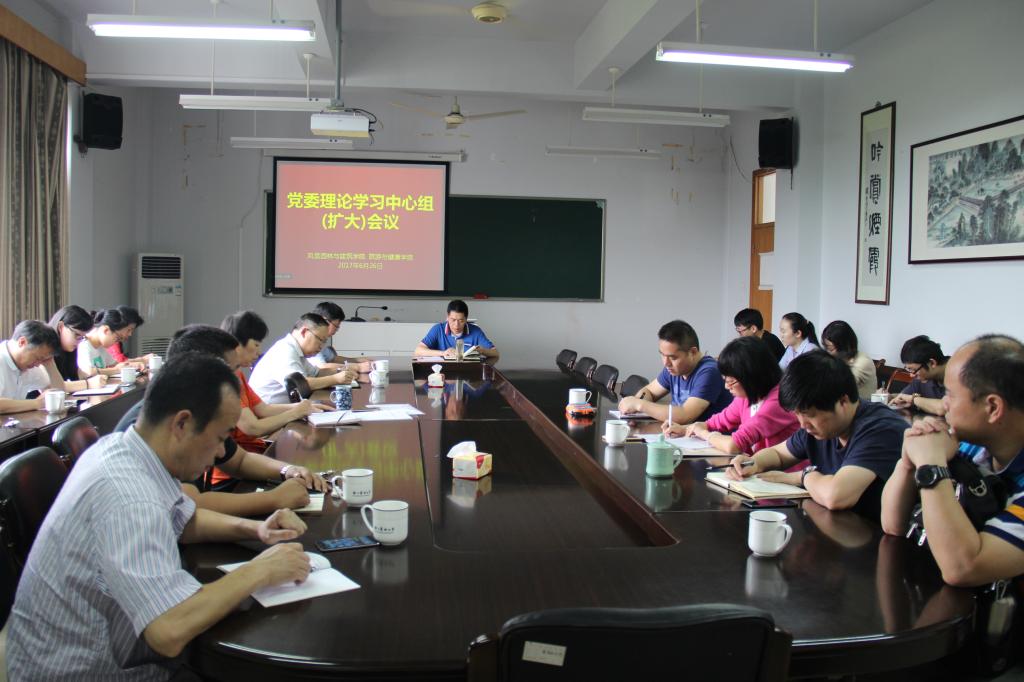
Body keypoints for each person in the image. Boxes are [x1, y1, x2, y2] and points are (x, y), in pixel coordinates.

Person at [6, 353, 312, 680]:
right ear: (181, 424)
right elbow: (169, 630)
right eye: (220, 437)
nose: (220, 453)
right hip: (86, 672)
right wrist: (260, 570)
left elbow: (184, 520)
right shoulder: (128, 496)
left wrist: (257, 529)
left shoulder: (124, 448)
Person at [115, 324, 327, 516]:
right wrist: (273, 499)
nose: (237, 378)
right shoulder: (160, 424)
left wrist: (288, 470)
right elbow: (190, 508)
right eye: (231, 370)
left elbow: (239, 460)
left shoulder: (200, 409)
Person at [881, 335, 1024, 587]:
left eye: (949, 394)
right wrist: (908, 462)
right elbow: (893, 525)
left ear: (993, 408)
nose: (943, 404)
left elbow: (963, 569)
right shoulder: (971, 448)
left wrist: (931, 465)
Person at [726, 350, 906, 519]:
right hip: (837, 524)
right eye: (797, 415)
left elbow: (836, 496)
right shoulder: (820, 426)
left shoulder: (880, 429)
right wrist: (753, 463)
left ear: (842, 401)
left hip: (876, 533)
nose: (802, 424)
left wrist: (803, 476)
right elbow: (779, 454)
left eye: (809, 415)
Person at [664, 336, 798, 454]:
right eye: (725, 380)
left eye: (731, 381)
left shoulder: (778, 401)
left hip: (783, 472)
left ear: (751, 376)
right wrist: (685, 429)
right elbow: (717, 422)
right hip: (759, 467)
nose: (726, 386)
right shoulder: (747, 395)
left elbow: (734, 445)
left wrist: (703, 434)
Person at [221, 310, 330, 452]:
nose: (258, 352)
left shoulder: (237, 374)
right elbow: (252, 428)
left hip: (254, 445)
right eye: (256, 345)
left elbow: (263, 409)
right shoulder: (224, 380)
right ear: (237, 345)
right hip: (243, 451)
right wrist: (295, 412)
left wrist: (304, 407)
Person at [617, 320, 731, 426]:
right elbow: (649, 391)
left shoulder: (709, 372)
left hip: (709, 438)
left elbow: (686, 415)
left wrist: (639, 405)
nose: (666, 363)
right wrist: (634, 411)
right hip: (681, 435)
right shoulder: (674, 368)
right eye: (662, 355)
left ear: (692, 352)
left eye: (673, 357)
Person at [248, 313, 359, 404]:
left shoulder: (297, 351)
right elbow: (300, 385)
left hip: (286, 411)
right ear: (304, 332)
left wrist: (342, 371)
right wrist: (336, 378)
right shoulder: (285, 351)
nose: (321, 346)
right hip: (269, 417)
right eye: (320, 340)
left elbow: (316, 373)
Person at [0, 320, 61, 414]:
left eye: (43, 360)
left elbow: (58, 391)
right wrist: (37, 403)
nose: (38, 364)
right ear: (22, 342)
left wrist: (50, 364)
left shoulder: (30, 366)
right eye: (37, 358)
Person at [44, 305, 108, 393]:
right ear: (61, 327)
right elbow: (54, 387)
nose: (79, 341)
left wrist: (95, 376)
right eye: (77, 335)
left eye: (82, 337)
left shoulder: (69, 349)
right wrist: (88, 384)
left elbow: (76, 374)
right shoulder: (44, 349)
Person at [414, 299, 498, 359]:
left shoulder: (476, 331)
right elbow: (418, 351)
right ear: (447, 317)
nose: (456, 325)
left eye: (461, 320)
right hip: (443, 372)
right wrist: (443, 353)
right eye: (453, 320)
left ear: (466, 319)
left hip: (468, 372)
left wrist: (482, 351)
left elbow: (495, 353)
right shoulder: (438, 329)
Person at [76, 308, 147, 377]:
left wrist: (132, 365)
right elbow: (88, 372)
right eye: (117, 338)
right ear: (106, 330)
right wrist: (117, 370)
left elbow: (115, 364)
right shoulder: (84, 345)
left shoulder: (101, 346)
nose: (116, 343)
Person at [888, 335, 948, 415]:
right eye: (909, 369)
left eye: (913, 370)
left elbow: (945, 408)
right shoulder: (922, 377)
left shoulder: (959, 372)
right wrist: (890, 396)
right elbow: (905, 396)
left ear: (932, 363)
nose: (911, 375)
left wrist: (913, 399)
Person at [307, 301, 372, 372]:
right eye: (336, 326)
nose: (337, 330)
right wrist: (358, 367)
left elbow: (333, 359)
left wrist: (357, 360)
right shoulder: (312, 339)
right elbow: (322, 367)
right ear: (324, 320)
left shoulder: (321, 340)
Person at [821, 320, 878, 400]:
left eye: (830, 349)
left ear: (844, 346)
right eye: (825, 347)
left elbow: (840, 388)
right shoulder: (838, 359)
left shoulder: (863, 362)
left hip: (862, 406)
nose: (827, 352)